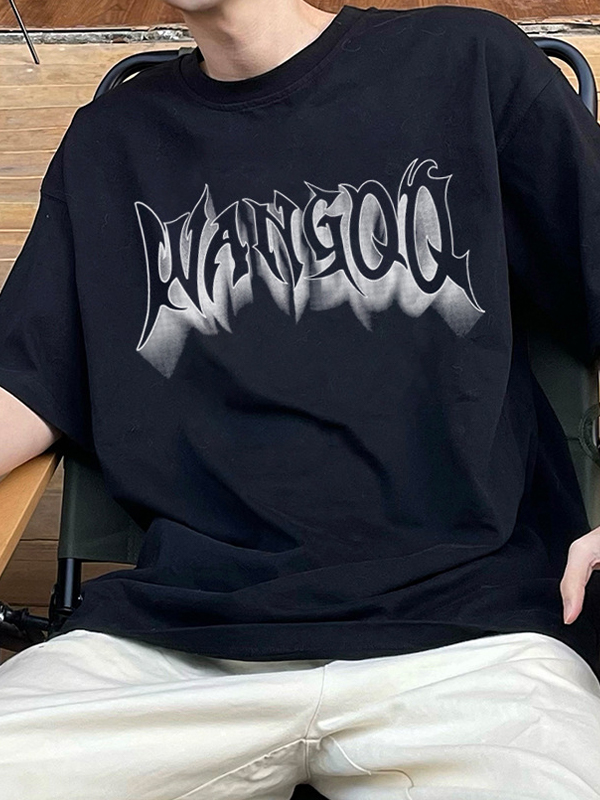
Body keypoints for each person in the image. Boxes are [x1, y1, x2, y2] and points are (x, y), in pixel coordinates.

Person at [1, 1, 600, 797]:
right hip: (172, 649)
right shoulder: (110, 142)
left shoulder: (466, 62)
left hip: (475, 642)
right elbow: (26, 382)